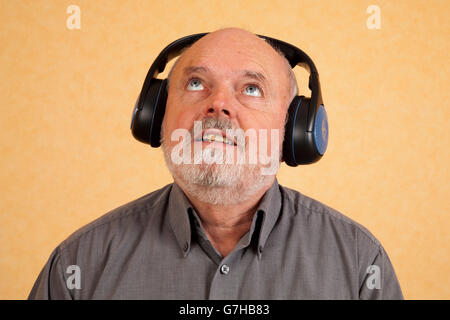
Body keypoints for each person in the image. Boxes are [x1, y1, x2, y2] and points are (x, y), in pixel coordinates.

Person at [29, 28, 403, 299]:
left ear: (295, 128)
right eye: (195, 83)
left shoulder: (358, 262)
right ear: (157, 115)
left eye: (251, 88)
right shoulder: (77, 265)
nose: (218, 105)